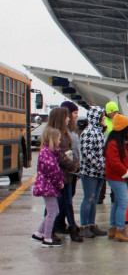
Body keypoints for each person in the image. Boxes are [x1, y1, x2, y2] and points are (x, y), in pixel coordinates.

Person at [48, 106, 83, 242]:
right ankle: (50, 230)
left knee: (67, 202)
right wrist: (74, 166)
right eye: (67, 116)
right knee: (55, 204)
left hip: (67, 174)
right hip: (60, 175)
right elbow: (60, 155)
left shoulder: (65, 133)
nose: (69, 118)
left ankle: (71, 227)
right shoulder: (55, 135)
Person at [105, 114, 128, 242]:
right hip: (116, 177)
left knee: (118, 203)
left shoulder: (126, 142)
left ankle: (113, 228)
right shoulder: (113, 144)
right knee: (124, 202)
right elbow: (115, 163)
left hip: (122, 177)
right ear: (124, 129)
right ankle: (120, 230)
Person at [31, 128, 66, 248]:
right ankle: (47, 238)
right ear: (53, 139)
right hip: (48, 187)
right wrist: (60, 182)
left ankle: (39, 232)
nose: (60, 141)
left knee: (54, 211)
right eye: (59, 138)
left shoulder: (48, 152)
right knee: (53, 212)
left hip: (47, 186)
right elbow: (52, 171)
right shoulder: (47, 153)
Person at [78, 106, 108, 238]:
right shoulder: (89, 132)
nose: (104, 118)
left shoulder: (99, 131)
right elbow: (87, 152)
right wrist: (102, 164)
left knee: (94, 199)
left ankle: (91, 224)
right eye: (102, 116)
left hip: (99, 172)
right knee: (88, 198)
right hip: (90, 173)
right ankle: (84, 226)